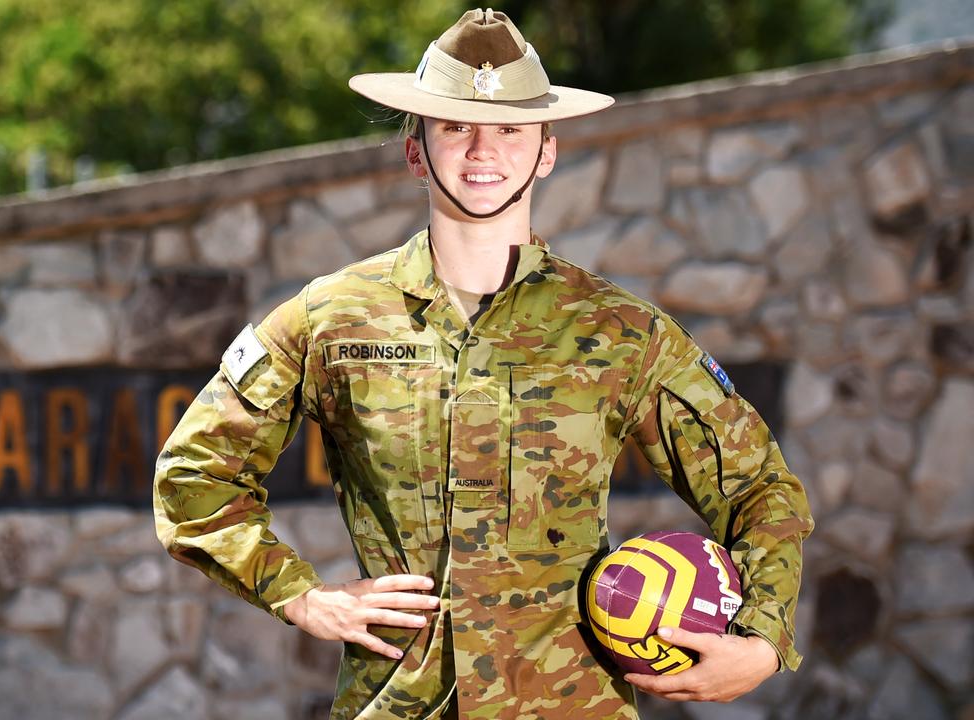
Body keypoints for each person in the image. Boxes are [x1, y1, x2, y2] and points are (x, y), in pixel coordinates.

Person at [154, 9, 813, 719]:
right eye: (455, 126)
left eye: (508, 129)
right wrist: (301, 597)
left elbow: (760, 489)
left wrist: (762, 640)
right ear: (416, 150)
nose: (481, 150)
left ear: (546, 151)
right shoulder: (330, 319)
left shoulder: (619, 330)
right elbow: (195, 477)